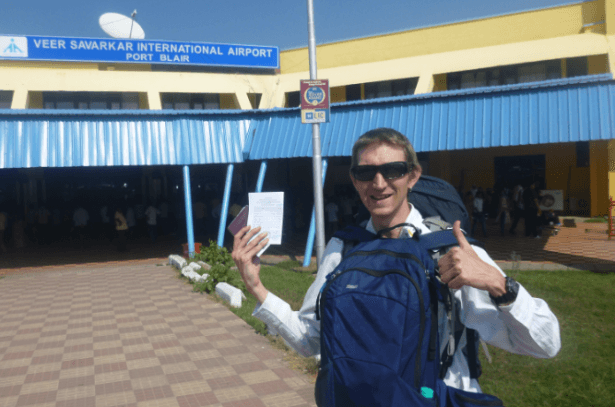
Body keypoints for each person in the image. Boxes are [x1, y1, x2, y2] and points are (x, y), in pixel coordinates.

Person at [232, 128, 560, 394]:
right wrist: (255, 285)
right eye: (366, 172)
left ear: (412, 176)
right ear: (354, 178)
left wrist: (499, 284)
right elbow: (310, 340)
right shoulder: (342, 248)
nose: (379, 183)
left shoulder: (448, 251)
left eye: (393, 170)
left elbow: (545, 344)